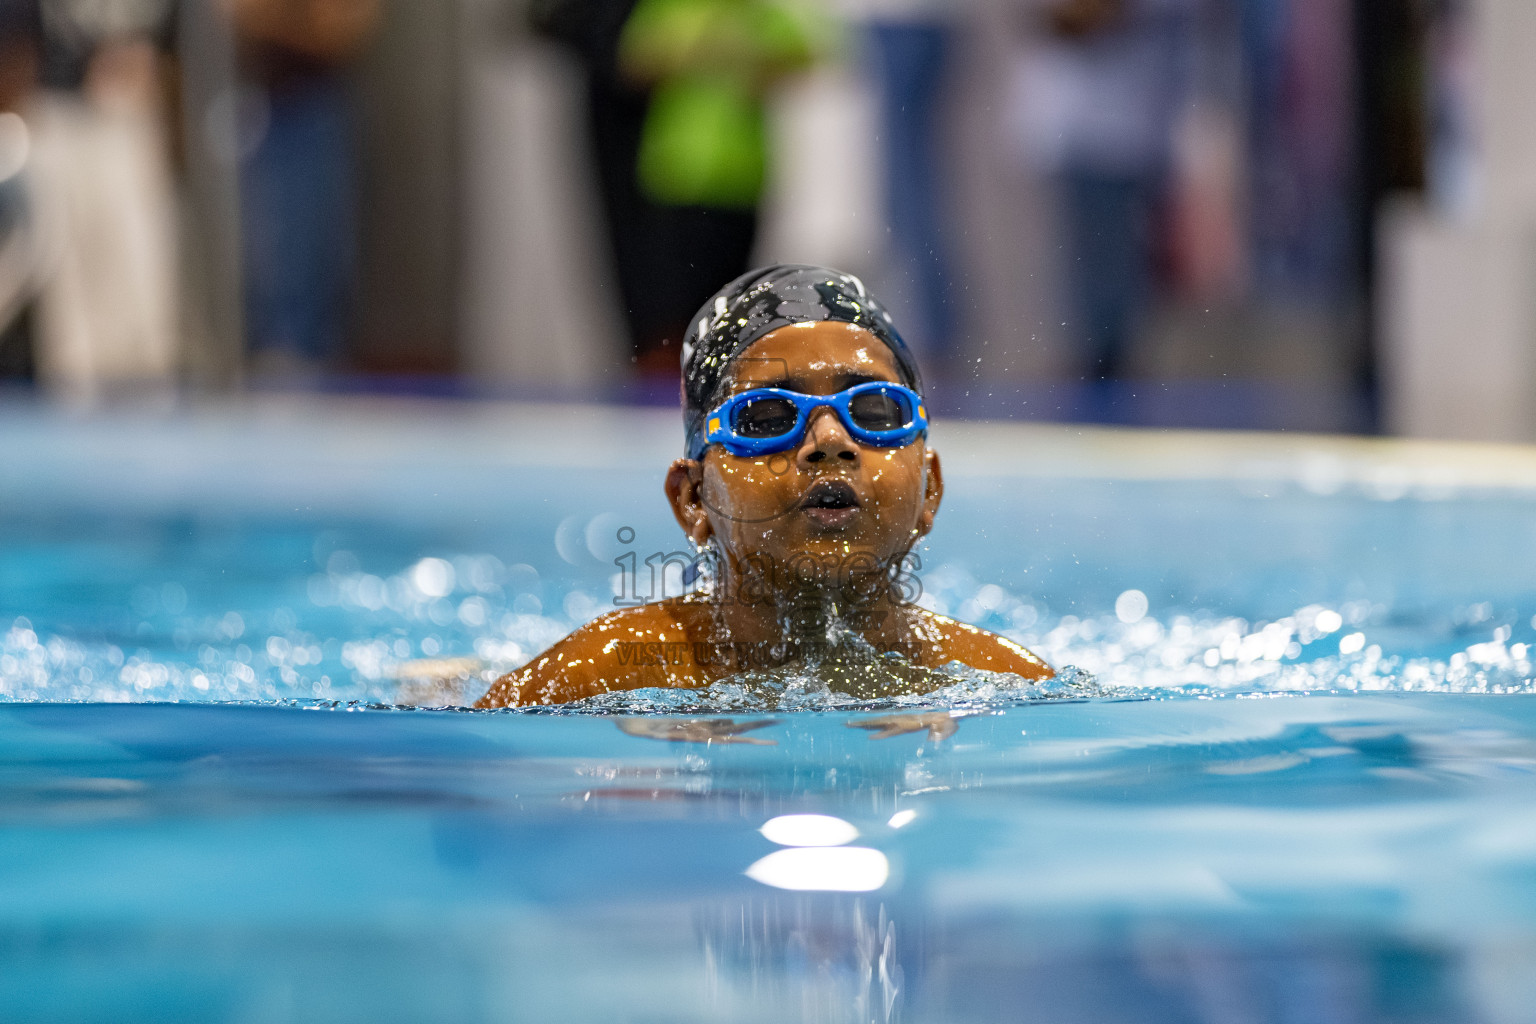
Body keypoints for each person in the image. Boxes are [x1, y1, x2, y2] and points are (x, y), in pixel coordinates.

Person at [477, 264, 1051, 708]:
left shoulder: (1003, 680)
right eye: (769, 418)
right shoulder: (600, 676)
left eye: (875, 411)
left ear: (929, 489)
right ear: (693, 499)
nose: (829, 439)